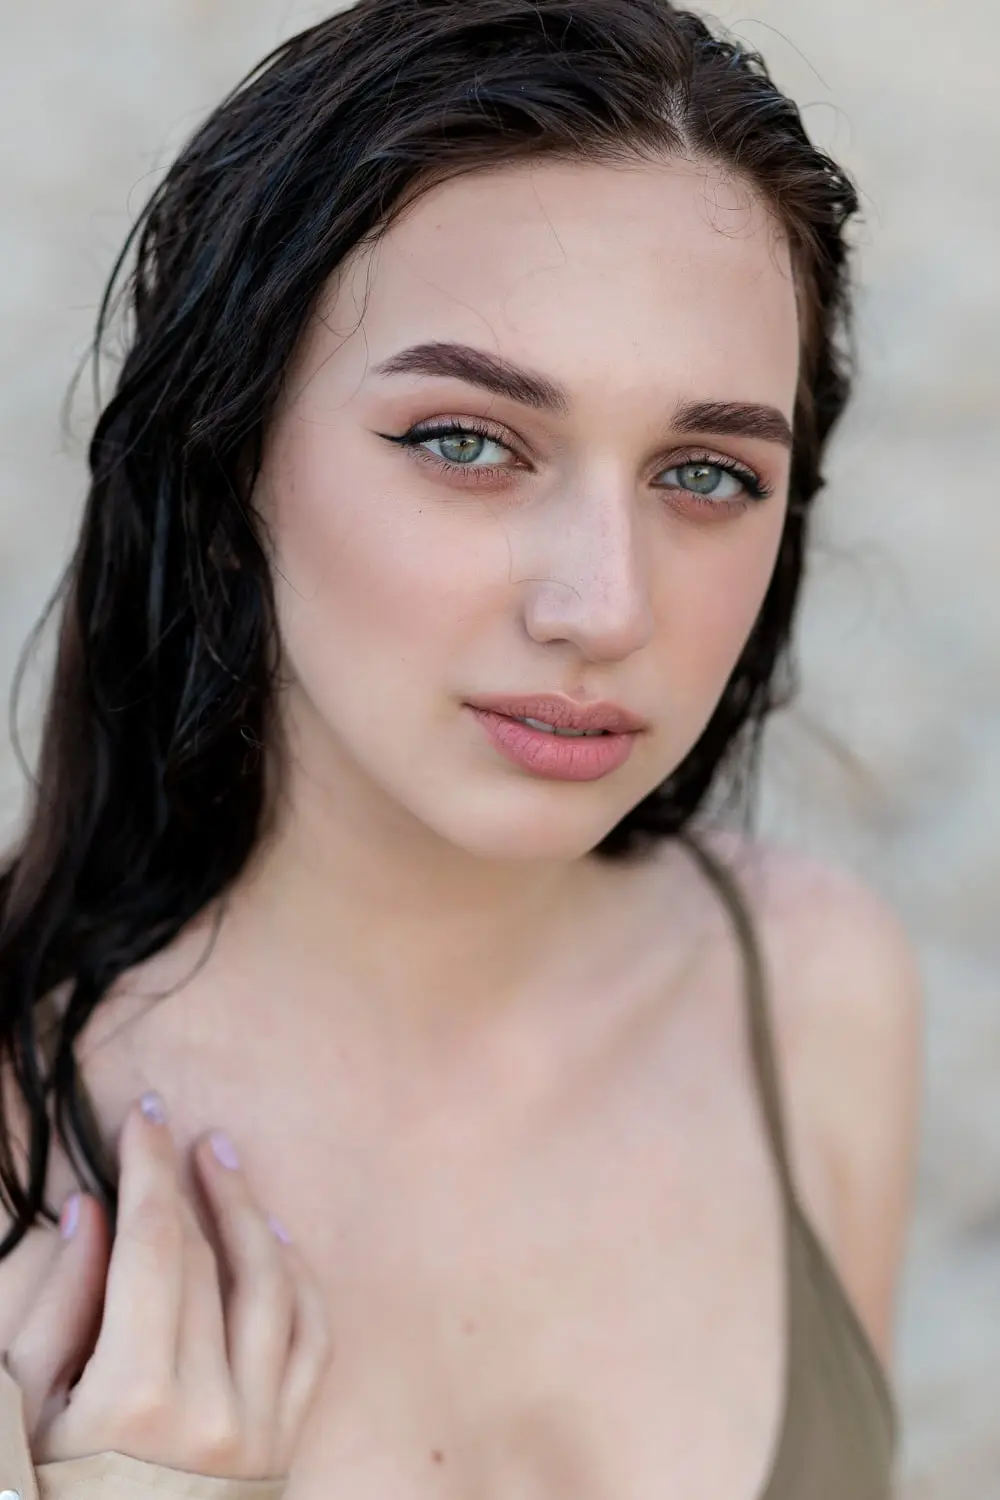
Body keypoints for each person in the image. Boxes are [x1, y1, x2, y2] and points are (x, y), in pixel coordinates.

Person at [0, 0, 923, 1496]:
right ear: (234, 449)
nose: (603, 606)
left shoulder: (816, 995)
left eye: (706, 472)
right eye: (465, 441)